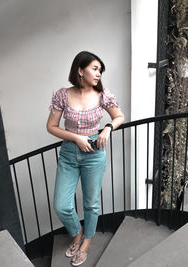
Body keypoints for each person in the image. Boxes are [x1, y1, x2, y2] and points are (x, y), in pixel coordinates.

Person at [47, 51, 124, 266]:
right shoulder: (62, 95)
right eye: (95, 68)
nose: (99, 74)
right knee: (62, 204)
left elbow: (119, 116)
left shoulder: (103, 95)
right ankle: (77, 232)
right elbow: (51, 127)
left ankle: (87, 241)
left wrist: (107, 129)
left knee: (91, 203)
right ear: (80, 70)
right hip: (70, 153)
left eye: (100, 70)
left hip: (94, 154)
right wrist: (76, 138)